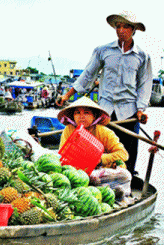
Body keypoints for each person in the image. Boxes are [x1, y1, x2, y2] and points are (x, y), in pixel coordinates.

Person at [57, 12, 153, 175]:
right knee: (97, 149)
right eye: (118, 26)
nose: (121, 30)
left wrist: (140, 109)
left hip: (129, 113)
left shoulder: (142, 56)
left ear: (133, 30)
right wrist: (67, 96)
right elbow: (88, 75)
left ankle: (126, 184)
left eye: (126, 27)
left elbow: (145, 84)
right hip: (105, 110)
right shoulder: (103, 50)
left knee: (127, 156)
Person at [58, 96, 129, 169]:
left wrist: (101, 159)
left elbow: (123, 154)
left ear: (94, 116)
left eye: (86, 113)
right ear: (73, 116)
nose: (81, 116)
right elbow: (63, 153)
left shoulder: (104, 132)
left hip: (102, 168)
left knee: (121, 166)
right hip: (77, 168)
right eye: (77, 113)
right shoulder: (69, 129)